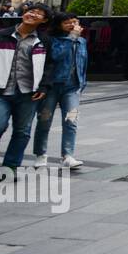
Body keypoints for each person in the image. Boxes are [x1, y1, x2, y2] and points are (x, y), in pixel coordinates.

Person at [0, 2, 53, 176]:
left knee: (22, 132)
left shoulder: (44, 41)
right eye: (31, 11)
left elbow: (50, 66)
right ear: (23, 13)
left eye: (38, 13)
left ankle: (10, 167)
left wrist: (44, 86)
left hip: (29, 93)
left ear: (44, 20)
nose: (33, 14)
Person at [32, 12, 87, 169]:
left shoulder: (81, 41)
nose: (72, 25)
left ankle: (68, 155)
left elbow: (83, 63)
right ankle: (40, 154)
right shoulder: (52, 40)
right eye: (67, 22)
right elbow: (56, 56)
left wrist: (82, 83)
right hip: (51, 86)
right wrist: (71, 37)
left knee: (71, 119)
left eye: (74, 21)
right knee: (44, 120)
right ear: (58, 25)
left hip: (72, 88)